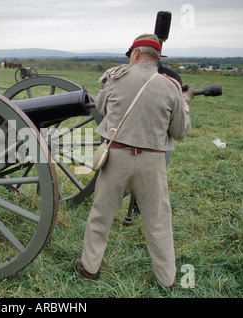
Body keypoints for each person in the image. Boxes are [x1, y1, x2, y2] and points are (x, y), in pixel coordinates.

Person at [74, 34, 192, 289]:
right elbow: (180, 132)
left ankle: (89, 267)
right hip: (152, 162)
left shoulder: (116, 78)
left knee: (100, 217)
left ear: (136, 54)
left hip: (115, 157)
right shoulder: (170, 85)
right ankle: (168, 279)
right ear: (157, 57)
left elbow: (103, 108)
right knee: (159, 222)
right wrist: (184, 104)